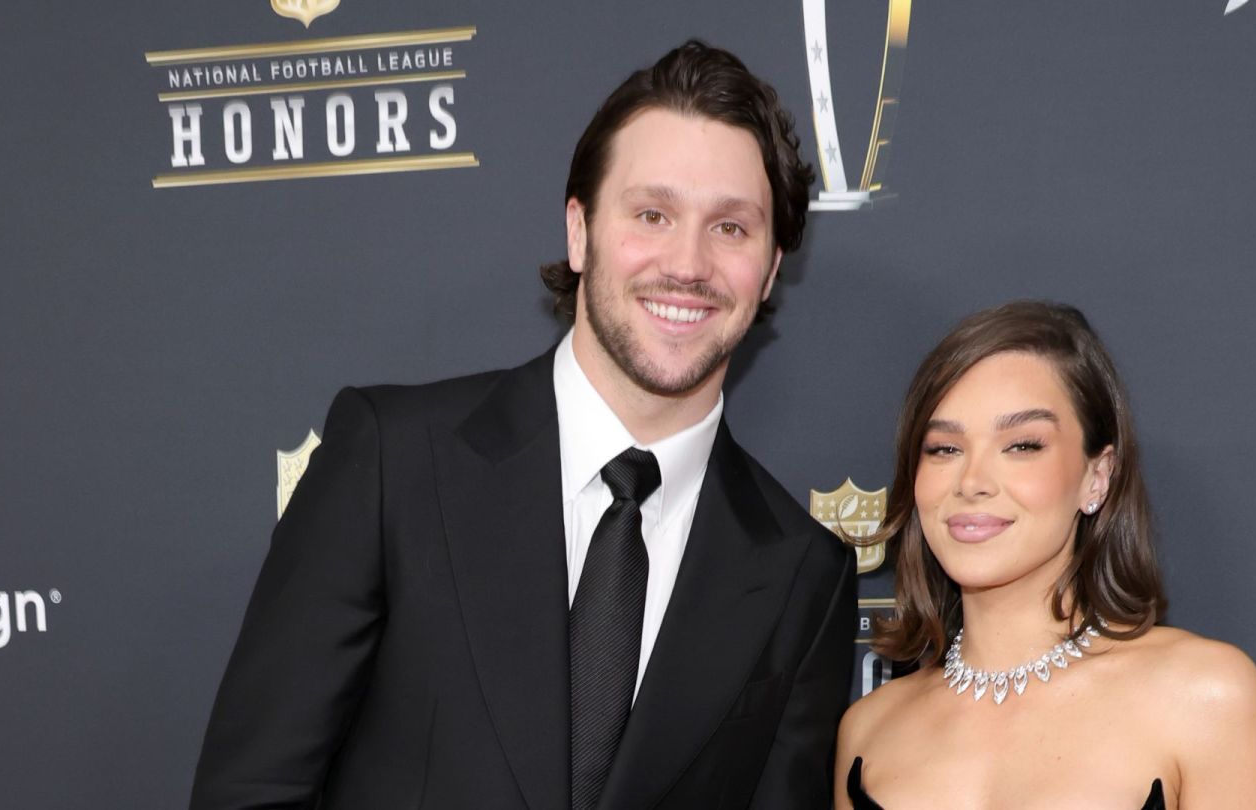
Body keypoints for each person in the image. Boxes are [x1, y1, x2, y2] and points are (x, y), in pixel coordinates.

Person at [191, 41, 857, 810]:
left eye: (731, 228)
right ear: (579, 231)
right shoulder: (393, 462)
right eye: (652, 214)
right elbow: (253, 790)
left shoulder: (805, 575)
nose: (687, 263)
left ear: (770, 270)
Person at [834, 301, 1256, 809]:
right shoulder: (869, 729)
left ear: (1097, 476)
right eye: (944, 449)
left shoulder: (1203, 694)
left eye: (1022, 445)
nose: (972, 482)